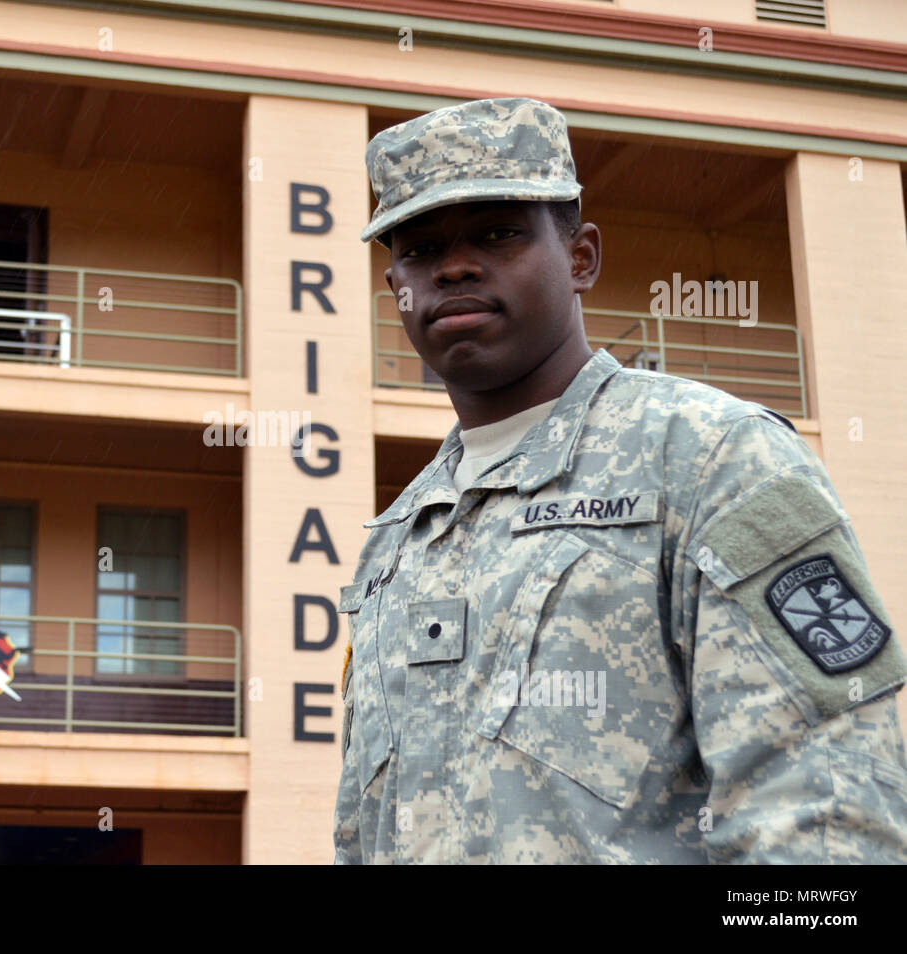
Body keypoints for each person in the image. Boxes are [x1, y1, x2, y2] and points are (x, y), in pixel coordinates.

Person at [334, 96, 907, 864]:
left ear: (581, 258)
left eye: (498, 232)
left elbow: (831, 819)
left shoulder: (711, 460)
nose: (454, 265)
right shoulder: (398, 539)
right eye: (419, 246)